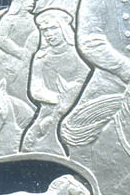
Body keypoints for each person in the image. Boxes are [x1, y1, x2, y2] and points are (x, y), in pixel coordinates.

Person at [22, 9, 88, 154]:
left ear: (63, 28)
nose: (49, 34)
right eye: (44, 30)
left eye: (53, 28)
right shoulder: (41, 57)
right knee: (31, 143)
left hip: (78, 110)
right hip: (49, 111)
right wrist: (58, 98)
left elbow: (86, 81)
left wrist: (71, 95)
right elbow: (36, 89)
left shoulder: (78, 54)